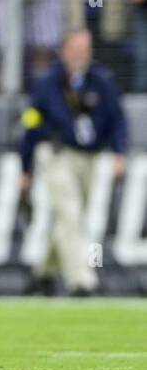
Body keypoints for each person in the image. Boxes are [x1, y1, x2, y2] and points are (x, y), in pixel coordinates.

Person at [19, 30, 128, 296]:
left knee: (71, 216)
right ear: (64, 50)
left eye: (85, 47)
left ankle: (43, 272)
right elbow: (31, 124)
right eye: (76, 47)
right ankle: (81, 281)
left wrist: (119, 152)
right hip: (57, 153)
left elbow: (117, 119)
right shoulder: (47, 83)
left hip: (89, 156)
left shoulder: (101, 81)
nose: (81, 53)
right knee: (70, 211)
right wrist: (26, 166)